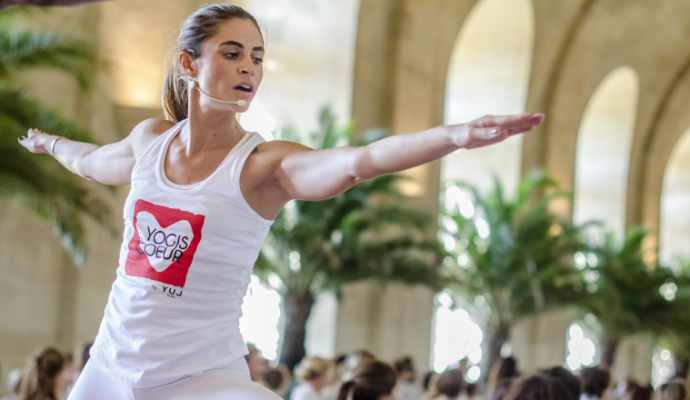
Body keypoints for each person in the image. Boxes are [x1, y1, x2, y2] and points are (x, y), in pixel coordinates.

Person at [17, 2, 544, 399]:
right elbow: (91, 162)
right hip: (109, 366)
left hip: (202, 378)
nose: (249, 67)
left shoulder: (263, 165)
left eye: (257, 57)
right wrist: (49, 143)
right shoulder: (148, 140)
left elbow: (359, 161)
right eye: (232, 53)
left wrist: (452, 136)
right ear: (188, 63)